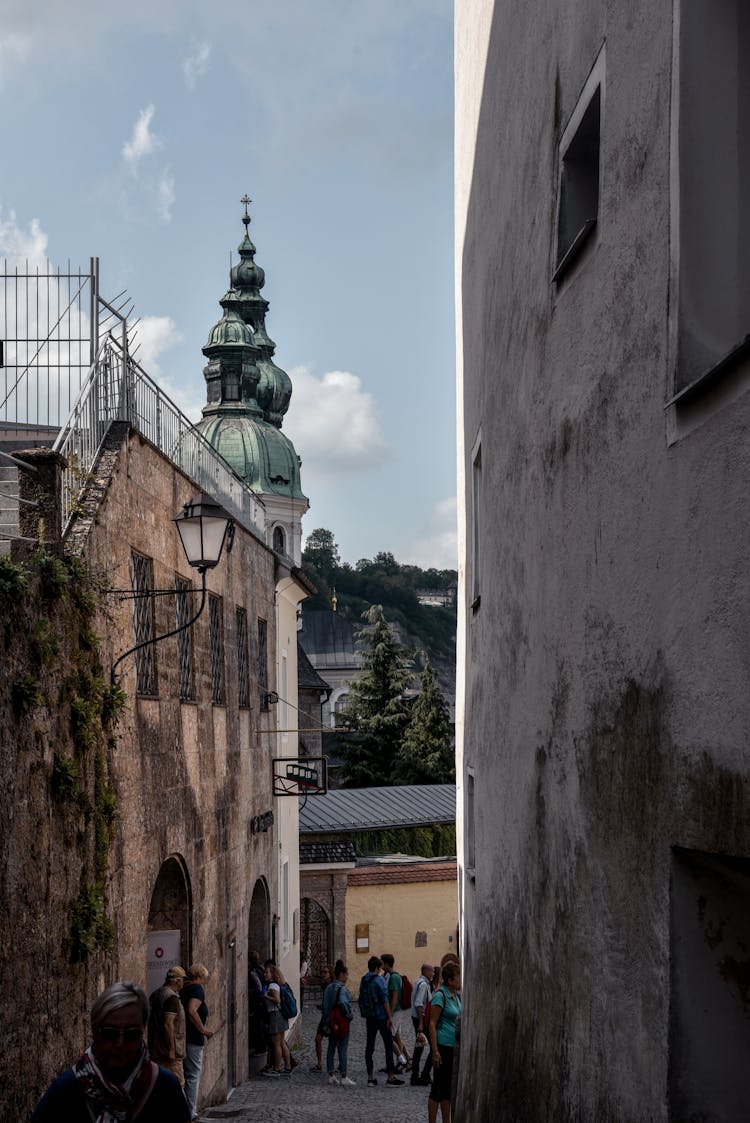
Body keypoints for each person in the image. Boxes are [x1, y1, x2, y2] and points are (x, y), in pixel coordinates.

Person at [31, 980, 190, 1122]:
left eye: (131, 1034)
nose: (119, 1043)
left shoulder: (165, 1088)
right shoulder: (67, 1091)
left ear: (142, 1032)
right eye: (110, 1033)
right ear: (94, 1031)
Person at [359, 955, 404, 1088]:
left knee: (370, 1046)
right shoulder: (379, 980)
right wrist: (390, 1017)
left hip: (370, 1017)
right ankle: (391, 1076)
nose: (380, 970)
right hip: (382, 1017)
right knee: (388, 1045)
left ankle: (370, 1077)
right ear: (377, 967)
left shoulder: (364, 980)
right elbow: (384, 1000)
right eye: (380, 968)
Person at [428, 961, 462, 1123]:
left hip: (452, 1048)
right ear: (450, 980)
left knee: (447, 1089)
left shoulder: (456, 996)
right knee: (437, 1089)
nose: (460, 979)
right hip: (442, 1047)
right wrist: (434, 1051)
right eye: (458, 977)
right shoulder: (440, 995)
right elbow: (432, 1024)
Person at [180, 963, 213, 1120]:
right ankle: (189, 1111)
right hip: (193, 1038)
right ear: (200, 977)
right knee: (193, 1075)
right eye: (205, 978)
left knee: (184, 1075)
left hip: (182, 1037)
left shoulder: (183, 988)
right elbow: (192, 1010)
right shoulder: (197, 989)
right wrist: (203, 1030)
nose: (205, 981)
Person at [148, 966, 187, 1086]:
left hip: (156, 1049)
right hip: (169, 1054)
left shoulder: (156, 993)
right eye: (183, 980)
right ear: (177, 980)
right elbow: (168, 1024)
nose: (184, 983)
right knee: (178, 1085)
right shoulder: (171, 998)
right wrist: (171, 1050)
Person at [322, 962, 355, 1086]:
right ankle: (344, 1076)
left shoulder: (329, 987)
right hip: (341, 1022)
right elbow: (343, 1003)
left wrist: (327, 1020)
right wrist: (349, 1015)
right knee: (343, 1048)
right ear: (341, 974)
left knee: (331, 1047)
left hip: (330, 1022)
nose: (347, 977)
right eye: (346, 974)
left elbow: (325, 1006)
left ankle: (331, 1075)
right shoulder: (342, 988)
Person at [381, 952, 411, 1072]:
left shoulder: (393, 977)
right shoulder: (388, 975)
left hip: (396, 1011)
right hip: (396, 1011)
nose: (380, 964)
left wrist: (390, 1013)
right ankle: (408, 1059)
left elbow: (394, 996)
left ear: (387, 963)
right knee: (397, 1036)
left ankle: (401, 1060)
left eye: (382, 962)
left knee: (389, 1036)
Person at [262, 964, 293, 1076]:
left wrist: (266, 996)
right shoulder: (277, 985)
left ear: (272, 974)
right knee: (281, 1042)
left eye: (267, 973)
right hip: (281, 1015)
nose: (265, 974)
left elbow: (277, 1000)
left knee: (276, 1044)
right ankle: (288, 1067)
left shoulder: (272, 986)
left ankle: (276, 1069)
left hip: (275, 1015)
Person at [410, 961, 434, 1086]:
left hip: (418, 1019)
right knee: (433, 1047)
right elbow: (419, 1004)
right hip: (421, 1020)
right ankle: (423, 1075)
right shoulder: (424, 985)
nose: (433, 973)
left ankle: (416, 1076)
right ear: (425, 971)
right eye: (431, 971)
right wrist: (420, 1023)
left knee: (419, 1048)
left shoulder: (418, 982)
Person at [310, 963, 333, 1072]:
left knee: (335, 1042)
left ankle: (338, 1065)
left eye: (325, 972)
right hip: (325, 1017)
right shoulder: (324, 985)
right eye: (322, 972)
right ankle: (319, 1064)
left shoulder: (332, 986)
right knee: (317, 1039)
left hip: (331, 1017)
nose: (323, 974)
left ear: (331, 974)